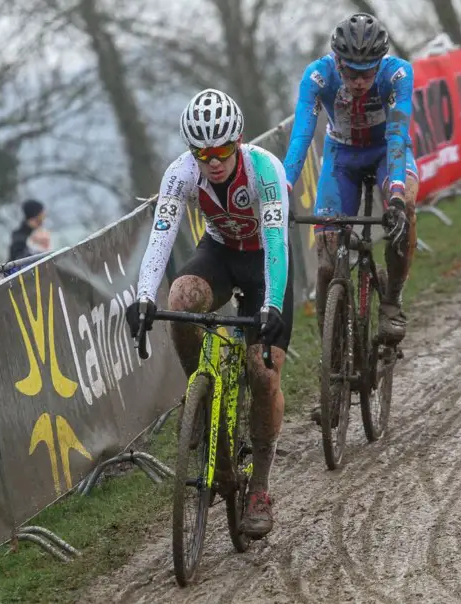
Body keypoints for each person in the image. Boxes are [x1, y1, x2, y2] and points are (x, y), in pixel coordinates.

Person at [126, 89, 292, 540]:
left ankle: (258, 486)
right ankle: (200, 395)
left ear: (237, 142)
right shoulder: (181, 174)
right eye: (203, 153)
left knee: (263, 374)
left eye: (221, 151)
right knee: (179, 300)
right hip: (219, 253)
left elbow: (277, 243)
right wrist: (144, 297)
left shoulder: (264, 170)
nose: (213, 162)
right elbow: (160, 237)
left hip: (264, 265)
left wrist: (272, 306)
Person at [283, 13, 418, 422]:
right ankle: (333, 364)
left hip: (385, 155)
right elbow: (302, 136)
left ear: (380, 63)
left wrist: (394, 196)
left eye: (367, 72)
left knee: (405, 210)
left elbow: (398, 134)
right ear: (336, 61)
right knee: (326, 259)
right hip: (340, 158)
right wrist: (283, 189)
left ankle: (391, 301)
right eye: (351, 72)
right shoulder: (318, 77)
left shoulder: (397, 75)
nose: (359, 81)